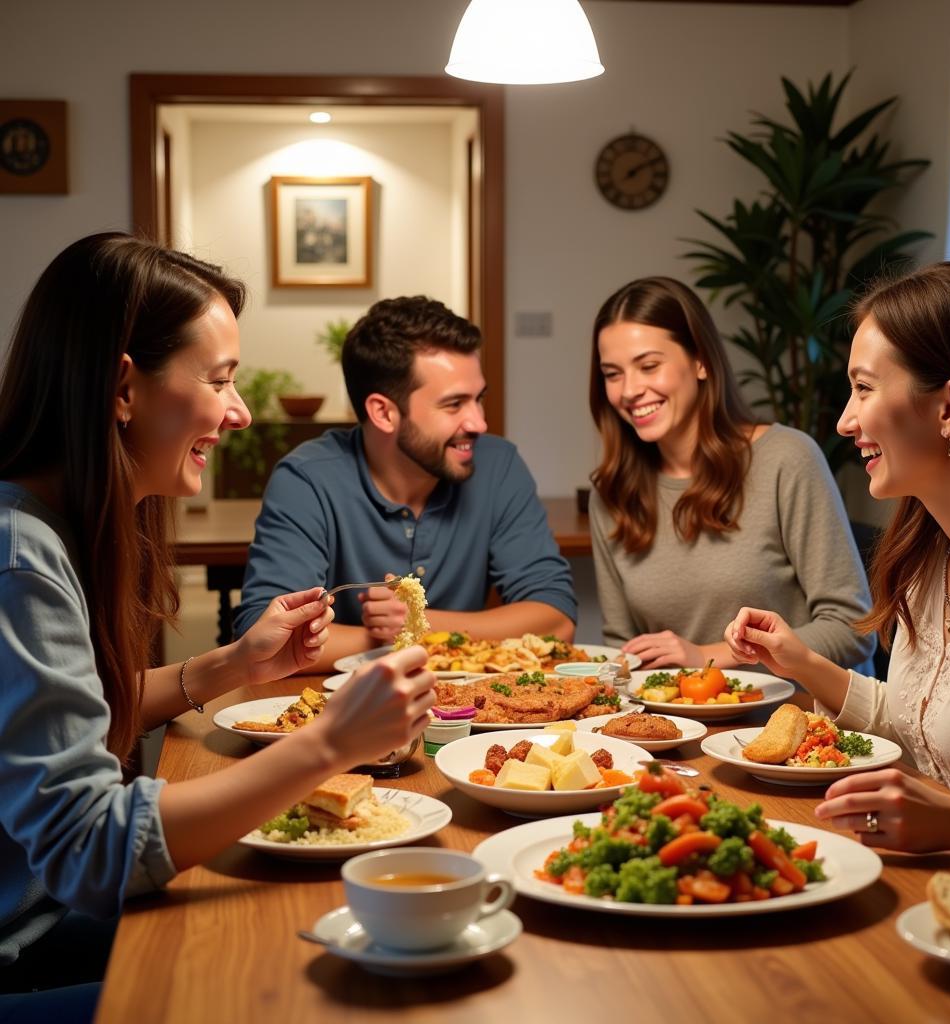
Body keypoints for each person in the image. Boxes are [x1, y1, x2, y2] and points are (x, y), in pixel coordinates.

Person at [0, 234, 435, 1015]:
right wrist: (330, 743)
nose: (238, 414)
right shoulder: (19, 558)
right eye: (220, 381)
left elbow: (75, 709)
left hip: (40, 915)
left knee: (303, 930)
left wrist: (233, 666)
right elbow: (92, 849)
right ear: (122, 387)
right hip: (22, 942)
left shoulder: (51, 525)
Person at [724, 260, 950, 854]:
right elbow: (918, 722)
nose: (844, 420)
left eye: (863, 388)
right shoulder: (925, 564)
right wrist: (802, 662)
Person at [235, 295, 577, 668]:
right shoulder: (307, 480)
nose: (478, 422)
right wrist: (384, 637)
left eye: (478, 399)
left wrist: (419, 624)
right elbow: (268, 638)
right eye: (454, 404)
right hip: (343, 713)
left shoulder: (499, 465)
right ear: (383, 412)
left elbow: (556, 620)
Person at [588, 275, 875, 673]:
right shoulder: (611, 493)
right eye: (612, 374)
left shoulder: (786, 458)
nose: (630, 389)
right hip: (682, 726)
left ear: (700, 360)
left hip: (799, 722)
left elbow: (853, 630)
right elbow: (625, 652)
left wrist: (706, 657)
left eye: (649, 366)